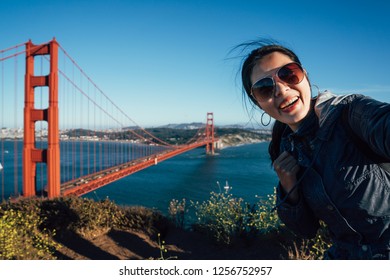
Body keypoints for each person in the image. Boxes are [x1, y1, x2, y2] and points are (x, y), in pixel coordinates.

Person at [239, 40, 390, 259]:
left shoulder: (349, 113)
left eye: (289, 74)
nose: (281, 89)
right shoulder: (284, 147)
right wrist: (288, 187)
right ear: (258, 102)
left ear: (305, 76)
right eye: (265, 88)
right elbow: (305, 231)